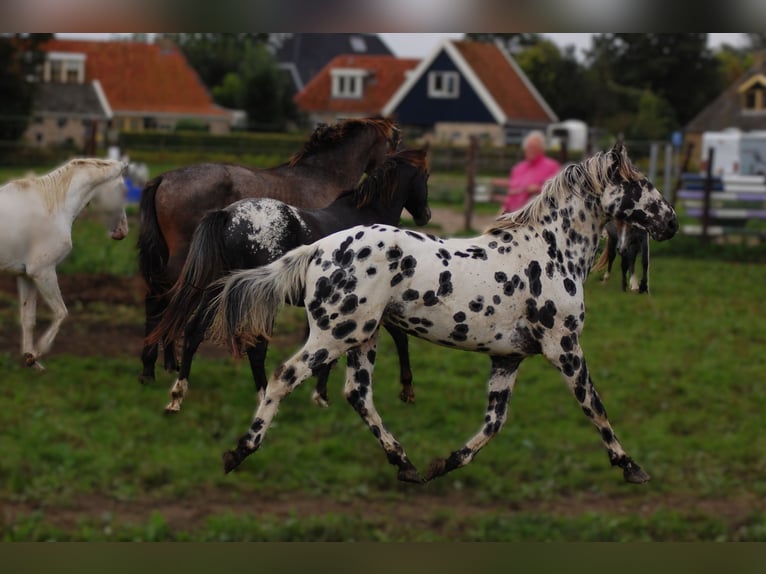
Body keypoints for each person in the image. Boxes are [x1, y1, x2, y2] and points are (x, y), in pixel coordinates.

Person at [501, 130, 561, 213]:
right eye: (529, 147)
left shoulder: (552, 166)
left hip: (538, 215)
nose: (531, 150)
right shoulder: (517, 169)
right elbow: (510, 196)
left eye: (534, 147)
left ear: (542, 149)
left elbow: (557, 190)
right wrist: (502, 212)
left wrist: (539, 189)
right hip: (514, 214)